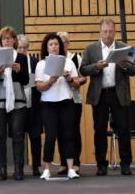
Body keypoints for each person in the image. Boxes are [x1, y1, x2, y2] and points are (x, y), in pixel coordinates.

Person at [79, 18, 135, 176]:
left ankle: (125, 164)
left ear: (115, 31)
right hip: (100, 94)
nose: (108, 34)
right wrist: (97, 66)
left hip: (119, 94)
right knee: (99, 130)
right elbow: (83, 69)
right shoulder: (91, 49)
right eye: (105, 31)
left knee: (124, 129)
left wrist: (124, 65)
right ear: (100, 32)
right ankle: (101, 164)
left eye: (111, 31)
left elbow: (134, 70)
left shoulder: (126, 47)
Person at [35, 33, 80, 180]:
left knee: (68, 135)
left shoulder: (68, 62)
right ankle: (47, 169)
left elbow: (76, 83)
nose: (54, 47)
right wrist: (50, 82)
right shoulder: (41, 64)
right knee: (50, 136)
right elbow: (39, 87)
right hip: (48, 104)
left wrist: (69, 79)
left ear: (60, 46)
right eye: (51, 44)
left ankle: (71, 168)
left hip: (66, 102)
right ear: (46, 47)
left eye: (56, 44)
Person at [0, 27, 29, 180]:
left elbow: (25, 80)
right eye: (4, 38)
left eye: (10, 38)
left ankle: (19, 169)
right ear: (1, 41)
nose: (7, 40)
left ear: (14, 40)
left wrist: (18, 71)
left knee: (18, 134)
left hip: (18, 99)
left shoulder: (22, 57)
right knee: (0, 135)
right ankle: (2, 170)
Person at [56, 31, 87, 175]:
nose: (62, 45)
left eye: (65, 42)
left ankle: (75, 162)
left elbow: (83, 78)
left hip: (74, 99)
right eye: (59, 42)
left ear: (68, 44)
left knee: (73, 131)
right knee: (60, 132)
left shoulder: (76, 58)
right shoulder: (53, 59)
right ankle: (63, 162)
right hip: (57, 99)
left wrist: (73, 80)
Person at [16, 34, 44, 176]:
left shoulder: (34, 62)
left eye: (24, 47)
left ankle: (35, 166)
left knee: (35, 136)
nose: (21, 50)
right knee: (19, 137)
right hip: (19, 104)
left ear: (28, 48)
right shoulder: (13, 62)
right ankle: (19, 166)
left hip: (34, 103)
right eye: (19, 47)